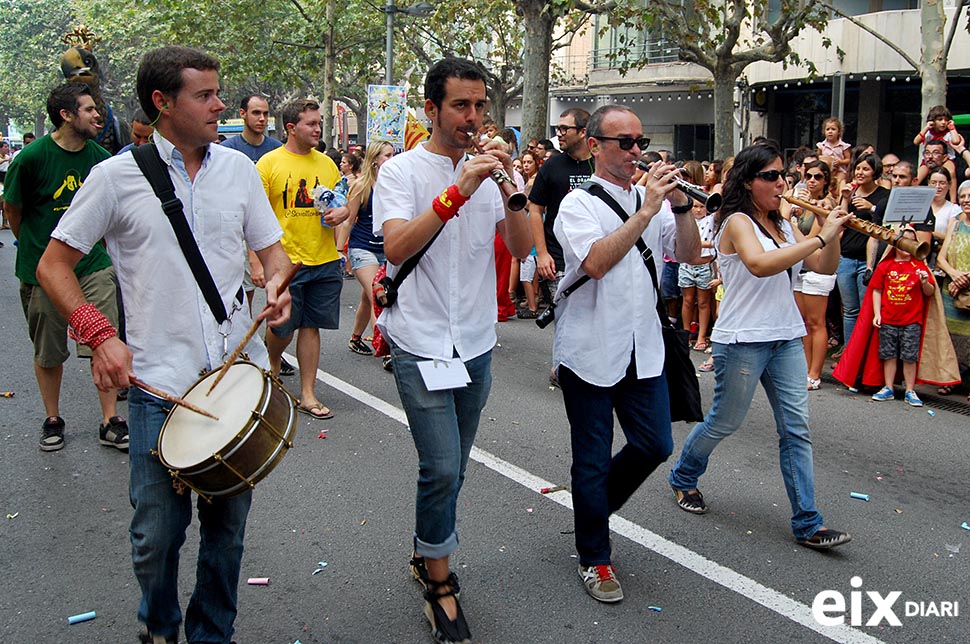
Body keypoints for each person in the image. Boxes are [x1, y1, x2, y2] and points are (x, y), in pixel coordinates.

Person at [34, 45, 294, 644]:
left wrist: (277, 286)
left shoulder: (239, 171)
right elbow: (54, 265)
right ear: (163, 102)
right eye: (204, 95)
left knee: (227, 536)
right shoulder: (114, 177)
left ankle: (212, 634)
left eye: (217, 91)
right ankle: (159, 626)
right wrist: (100, 337)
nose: (220, 104)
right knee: (157, 535)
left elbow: (272, 254)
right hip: (159, 384)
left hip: (233, 383)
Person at [373, 57, 532, 644]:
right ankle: (439, 582)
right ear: (432, 110)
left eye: (480, 106)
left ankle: (427, 551)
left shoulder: (488, 171)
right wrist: (456, 190)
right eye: (461, 106)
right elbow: (395, 247)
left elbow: (518, 245)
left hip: (476, 342)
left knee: (454, 466)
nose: (473, 117)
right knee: (440, 465)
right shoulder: (401, 172)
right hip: (420, 340)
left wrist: (512, 191)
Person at [668, 142, 853, 551]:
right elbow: (760, 264)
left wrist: (833, 231)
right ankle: (683, 475)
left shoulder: (785, 226)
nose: (782, 183)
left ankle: (807, 521)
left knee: (796, 429)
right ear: (749, 182)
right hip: (743, 339)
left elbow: (823, 266)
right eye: (771, 176)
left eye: (783, 175)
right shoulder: (735, 221)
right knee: (725, 421)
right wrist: (820, 237)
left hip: (785, 337)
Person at [552, 105, 701, 603]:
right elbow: (596, 262)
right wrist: (646, 211)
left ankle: (589, 510)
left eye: (641, 140)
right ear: (594, 145)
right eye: (625, 142)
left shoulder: (650, 198)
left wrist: (679, 206)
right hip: (591, 348)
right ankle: (595, 556)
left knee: (655, 444)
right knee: (591, 460)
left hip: (645, 346)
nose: (637, 151)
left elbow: (689, 253)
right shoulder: (577, 204)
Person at [3, 82, 127, 453]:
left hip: (93, 265)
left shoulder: (100, 158)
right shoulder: (32, 157)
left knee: (103, 341)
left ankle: (110, 420)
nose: (97, 115)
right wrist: (35, 247)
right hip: (43, 269)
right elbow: (14, 210)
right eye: (89, 109)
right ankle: (53, 418)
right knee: (49, 349)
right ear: (66, 115)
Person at [257, 99, 348, 420]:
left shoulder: (327, 164)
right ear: (291, 128)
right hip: (285, 262)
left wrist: (343, 212)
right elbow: (253, 216)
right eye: (311, 124)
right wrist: (257, 263)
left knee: (311, 326)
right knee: (282, 327)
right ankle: (271, 365)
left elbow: (342, 202)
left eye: (319, 122)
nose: (318, 129)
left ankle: (307, 394)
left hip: (323, 259)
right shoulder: (268, 164)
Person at [867, 228, 936, 406]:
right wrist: (877, 313)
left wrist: (924, 282)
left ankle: (910, 390)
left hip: (912, 320)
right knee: (888, 354)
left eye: (911, 241)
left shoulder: (919, 266)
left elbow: (930, 292)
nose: (906, 245)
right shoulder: (885, 266)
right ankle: (888, 387)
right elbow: (877, 290)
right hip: (889, 318)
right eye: (903, 240)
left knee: (909, 356)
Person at [337, 140, 393, 355]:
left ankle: (356, 337)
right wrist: (339, 250)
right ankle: (385, 349)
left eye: (392, 155)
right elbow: (348, 220)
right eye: (386, 155)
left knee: (367, 295)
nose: (391, 159)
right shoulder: (361, 186)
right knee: (378, 295)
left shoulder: (395, 183)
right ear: (374, 160)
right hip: (363, 248)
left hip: (387, 250)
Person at [785, 160, 837, 389]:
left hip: (818, 267)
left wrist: (789, 223)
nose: (812, 180)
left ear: (826, 180)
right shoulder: (803, 202)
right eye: (809, 176)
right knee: (804, 322)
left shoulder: (826, 204)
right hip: (800, 267)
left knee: (817, 322)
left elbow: (812, 242)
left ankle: (816, 373)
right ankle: (805, 369)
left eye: (818, 176)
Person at [836, 153, 889, 355]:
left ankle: (863, 355)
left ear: (875, 172)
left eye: (865, 169)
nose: (860, 172)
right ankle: (849, 352)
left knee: (866, 311)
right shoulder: (851, 192)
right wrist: (845, 198)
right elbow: (841, 220)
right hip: (846, 257)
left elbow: (886, 223)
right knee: (849, 310)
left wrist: (871, 207)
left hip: (868, 261)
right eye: (858, 168)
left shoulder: (884, 195)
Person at [936, 178, 970, 397]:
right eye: (964, 196)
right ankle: (951, 378)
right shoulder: (955, 222)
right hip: (953, 287)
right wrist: (955, 275)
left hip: (964, 284)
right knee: (950, 335)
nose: (967, 200)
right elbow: (940, 258)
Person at [816, 117, 851, 181]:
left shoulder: (843, 146)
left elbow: (849, 160)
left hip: (840, 171)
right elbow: (817, 157)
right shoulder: (821, 145)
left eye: (833, 129)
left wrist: (840, 162)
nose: (830, 131)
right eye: (827, 129)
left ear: (839, 132)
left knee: (839, 181)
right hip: (826, 171)